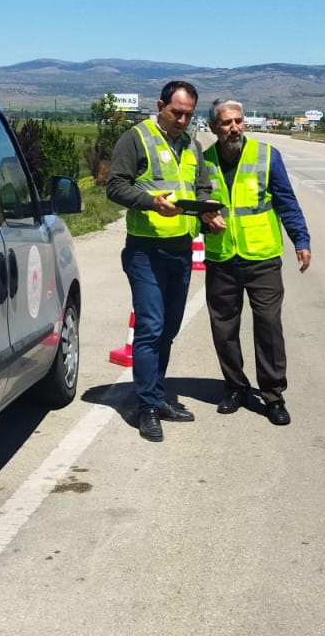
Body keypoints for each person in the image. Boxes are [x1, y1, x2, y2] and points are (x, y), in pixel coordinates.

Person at [105, 80, 217, 442]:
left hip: (181, 249)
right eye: (176, 112)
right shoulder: (136, 138)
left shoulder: (191, 145)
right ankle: (147, 406)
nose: (183, 120)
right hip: (146, 249)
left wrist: (207, 213)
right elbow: (115, 185)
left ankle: (158, 394)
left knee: (168, 328)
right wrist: (152, 202)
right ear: (160, 105)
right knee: (151, 327)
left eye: (188, 114)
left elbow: (201, 188)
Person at [201, 99, 311, 426]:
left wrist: (301, 240)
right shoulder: (202, 162)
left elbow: (286, 201)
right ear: (213, 128)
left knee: (268, 326)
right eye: (226, 123)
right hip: (222, 257)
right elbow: (196, 208)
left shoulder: (266, 156)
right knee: (224, 328)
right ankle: (235, 387)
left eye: (238, 121)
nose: (234, 128)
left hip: (262, 258)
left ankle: (273, 395)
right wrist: (206, 221)